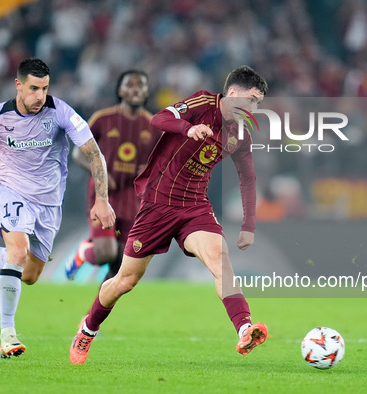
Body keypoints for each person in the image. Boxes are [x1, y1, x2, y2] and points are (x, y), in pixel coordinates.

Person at [69, 65, 269, 364]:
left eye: (258, 103)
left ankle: (244, 329)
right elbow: (160, 118)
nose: (254, 108)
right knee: (125, 281)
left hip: (195, 207)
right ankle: (87, 329)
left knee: (221, 262)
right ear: (232, 93)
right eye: (252, 100)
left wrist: (249, 225)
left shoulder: (240, 134)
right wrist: (187, 128)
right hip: (157, 205)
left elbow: (248, 178)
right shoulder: (203, 103)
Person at [0, 58, 115, 359]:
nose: (40, 96)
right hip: (11, 192)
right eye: (34, 88)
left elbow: (94, 153)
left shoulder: (61, 112)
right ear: (18, 85)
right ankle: (7, 335)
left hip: (49, 203)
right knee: (18, 251)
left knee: (30, 274)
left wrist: (102, 199)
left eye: (45, 88)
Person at [65, 70, 162, 282]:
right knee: (106, 253)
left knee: (121, 266)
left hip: (134, 200)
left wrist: (151, 171)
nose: (135, 88)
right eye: (130, 84)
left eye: (140, 85)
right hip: (104, 194)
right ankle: (82, 253)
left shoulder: (154, 127)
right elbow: (77, 153)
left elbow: (162, 164)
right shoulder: (103, 119)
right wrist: (99, 173)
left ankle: (95, 312)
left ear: (146, 92)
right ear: (120, 91)